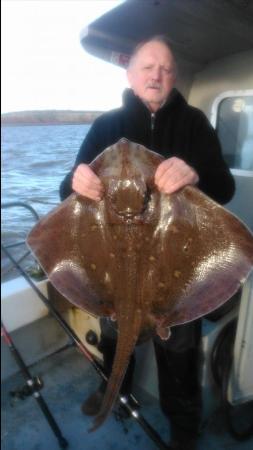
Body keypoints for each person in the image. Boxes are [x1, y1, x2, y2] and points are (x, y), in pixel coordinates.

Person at [60, 35, 235, 450]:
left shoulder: (194, 124)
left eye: (167, 68)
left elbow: (224, 188)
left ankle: (184, 426)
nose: (157, 74)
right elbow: (66, 190)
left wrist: (195, 174)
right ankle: (113, 390)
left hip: (177, 265)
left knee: (180, 353)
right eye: (148, 67)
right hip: (113, 263)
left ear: (173, 77)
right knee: (112, 336)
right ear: (130, 74)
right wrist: (76, 180)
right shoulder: (106, 126)